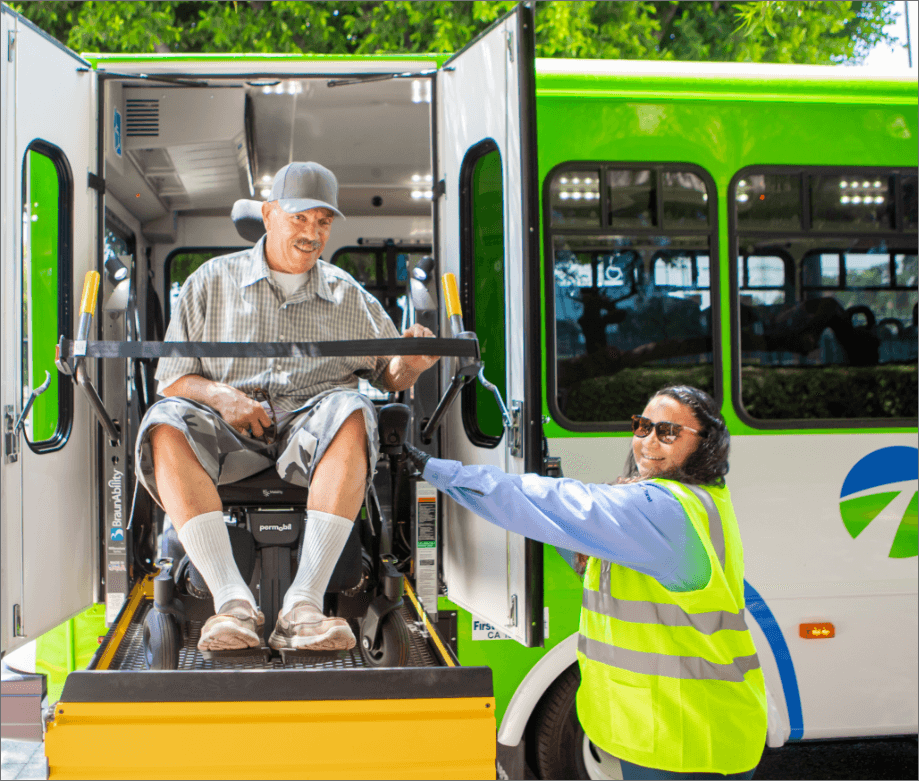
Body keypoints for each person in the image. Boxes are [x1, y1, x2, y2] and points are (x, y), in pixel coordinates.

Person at [135, 161, 439, 653]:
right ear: (271, 214)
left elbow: (391, 374)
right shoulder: (209, 283)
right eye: (300, 218)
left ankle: (304, 606)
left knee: (353, 406)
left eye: (323, 223)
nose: (312, 233)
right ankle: (232, 603)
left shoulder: (349, 296)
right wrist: (221, 397)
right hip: (227, 435)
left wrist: (415, 363)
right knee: (163, 421)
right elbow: (171, 380)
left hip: (310, 437)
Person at [405, 386, 766, 780]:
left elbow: (550, 504)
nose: (648, 441)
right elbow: (586, 541)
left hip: (691, 743)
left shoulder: (666, 511)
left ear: (706, 445)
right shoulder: (689, 500)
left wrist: (436, 469)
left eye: (668, 432)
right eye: (643, 426)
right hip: (676, 732)